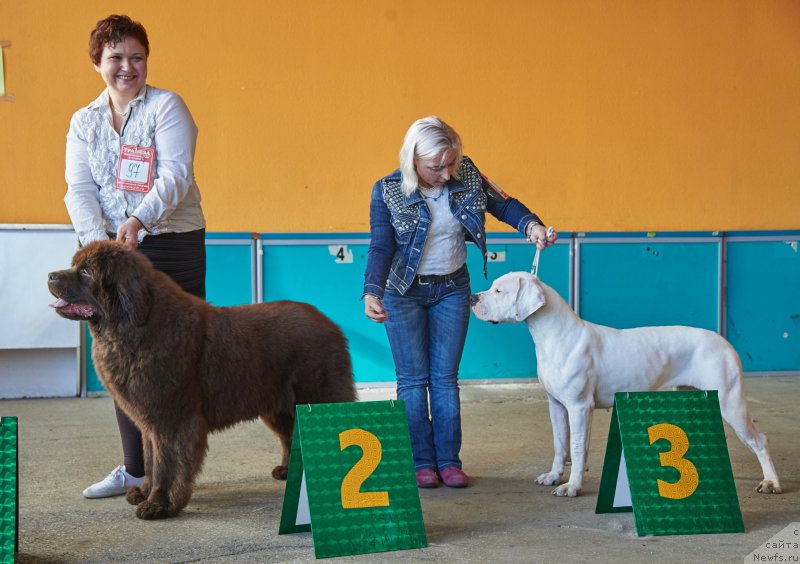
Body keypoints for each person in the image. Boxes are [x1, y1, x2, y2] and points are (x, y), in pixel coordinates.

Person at [363, 116, 557, 489]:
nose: (446, 172)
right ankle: (422, 462)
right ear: (413, 161)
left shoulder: (466, 174)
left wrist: (531, 225)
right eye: (436, 167)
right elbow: (381, 245)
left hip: (452, 288)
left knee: (445, 379)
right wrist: (372, 291)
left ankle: (449, 461)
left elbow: (503, 204)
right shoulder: (387, 190)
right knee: (412, 381)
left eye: (451, 162)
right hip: (402, 292)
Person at [65, 14, 206, 498]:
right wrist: (96, 245)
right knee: (120, 356)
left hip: (171, 240)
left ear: (147, 60)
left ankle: (176, 471)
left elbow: (176, 174)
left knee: (177, 358)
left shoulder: (167, 106)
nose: (127, 67)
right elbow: (78, 189)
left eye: (136, 57)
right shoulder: (83, 122)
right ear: (98, 63)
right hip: (109, 255)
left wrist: (139, 221)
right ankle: (135, 469)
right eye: (115, 58)